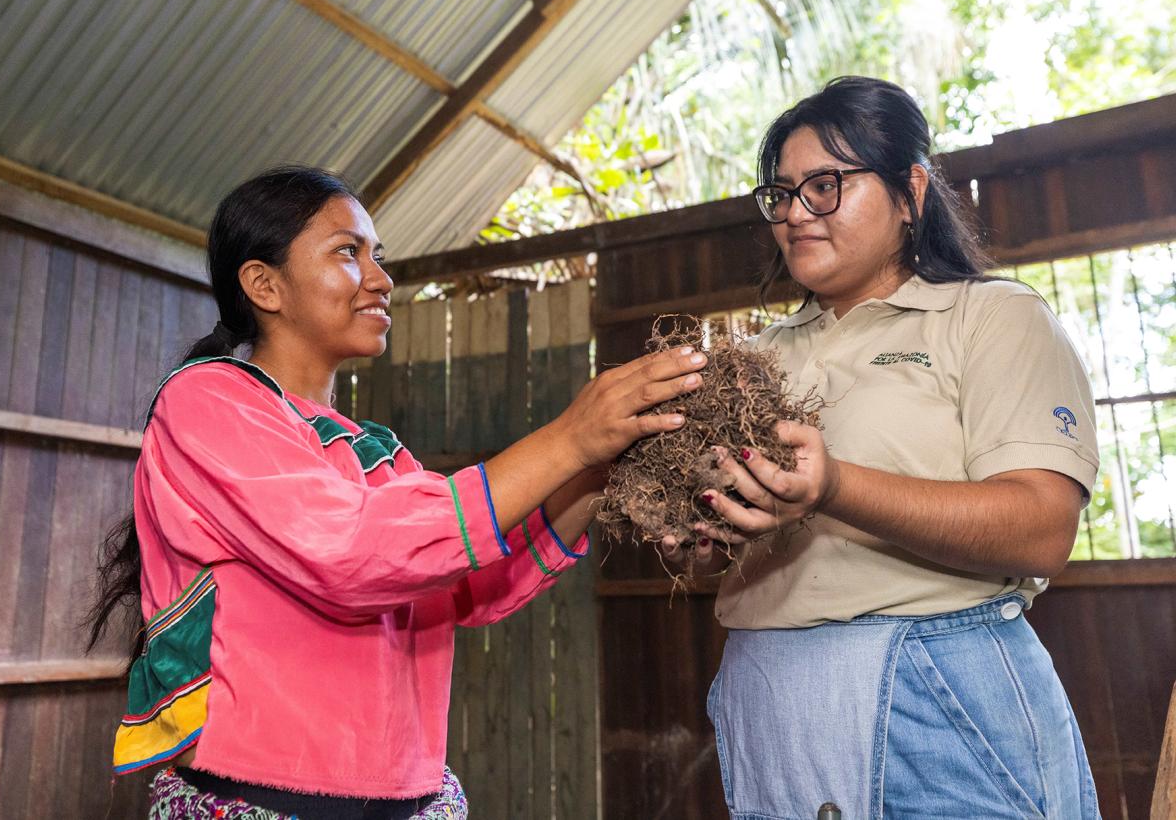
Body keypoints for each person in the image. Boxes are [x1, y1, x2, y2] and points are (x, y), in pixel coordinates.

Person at [87, 166, 706, 820]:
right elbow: (350, 553)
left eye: (376, 256)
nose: (381, 278)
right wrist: (570, 440)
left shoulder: (377, 449)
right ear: (264, 284)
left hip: (408, 801)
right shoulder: (208, 401)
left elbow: (471, 583)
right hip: (261, 801)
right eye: (347, 253)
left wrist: (598, 472)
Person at [666, 77, 1101, 818]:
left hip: (937, 682)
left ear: (911, 190)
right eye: (781, 193)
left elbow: (1041, 530)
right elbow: (734, 543)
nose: (796, 213)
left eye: (827, 186)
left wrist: (836, 487)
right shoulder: (755, 360)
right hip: (770, 693)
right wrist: (702, 542)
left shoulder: (988, 318)